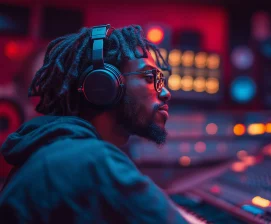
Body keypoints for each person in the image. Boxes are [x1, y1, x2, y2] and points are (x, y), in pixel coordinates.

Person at [0, 24, 189, 223]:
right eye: (150, 77)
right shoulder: (93, 161)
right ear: (104, 85)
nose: (166, 93)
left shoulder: (51, 146)